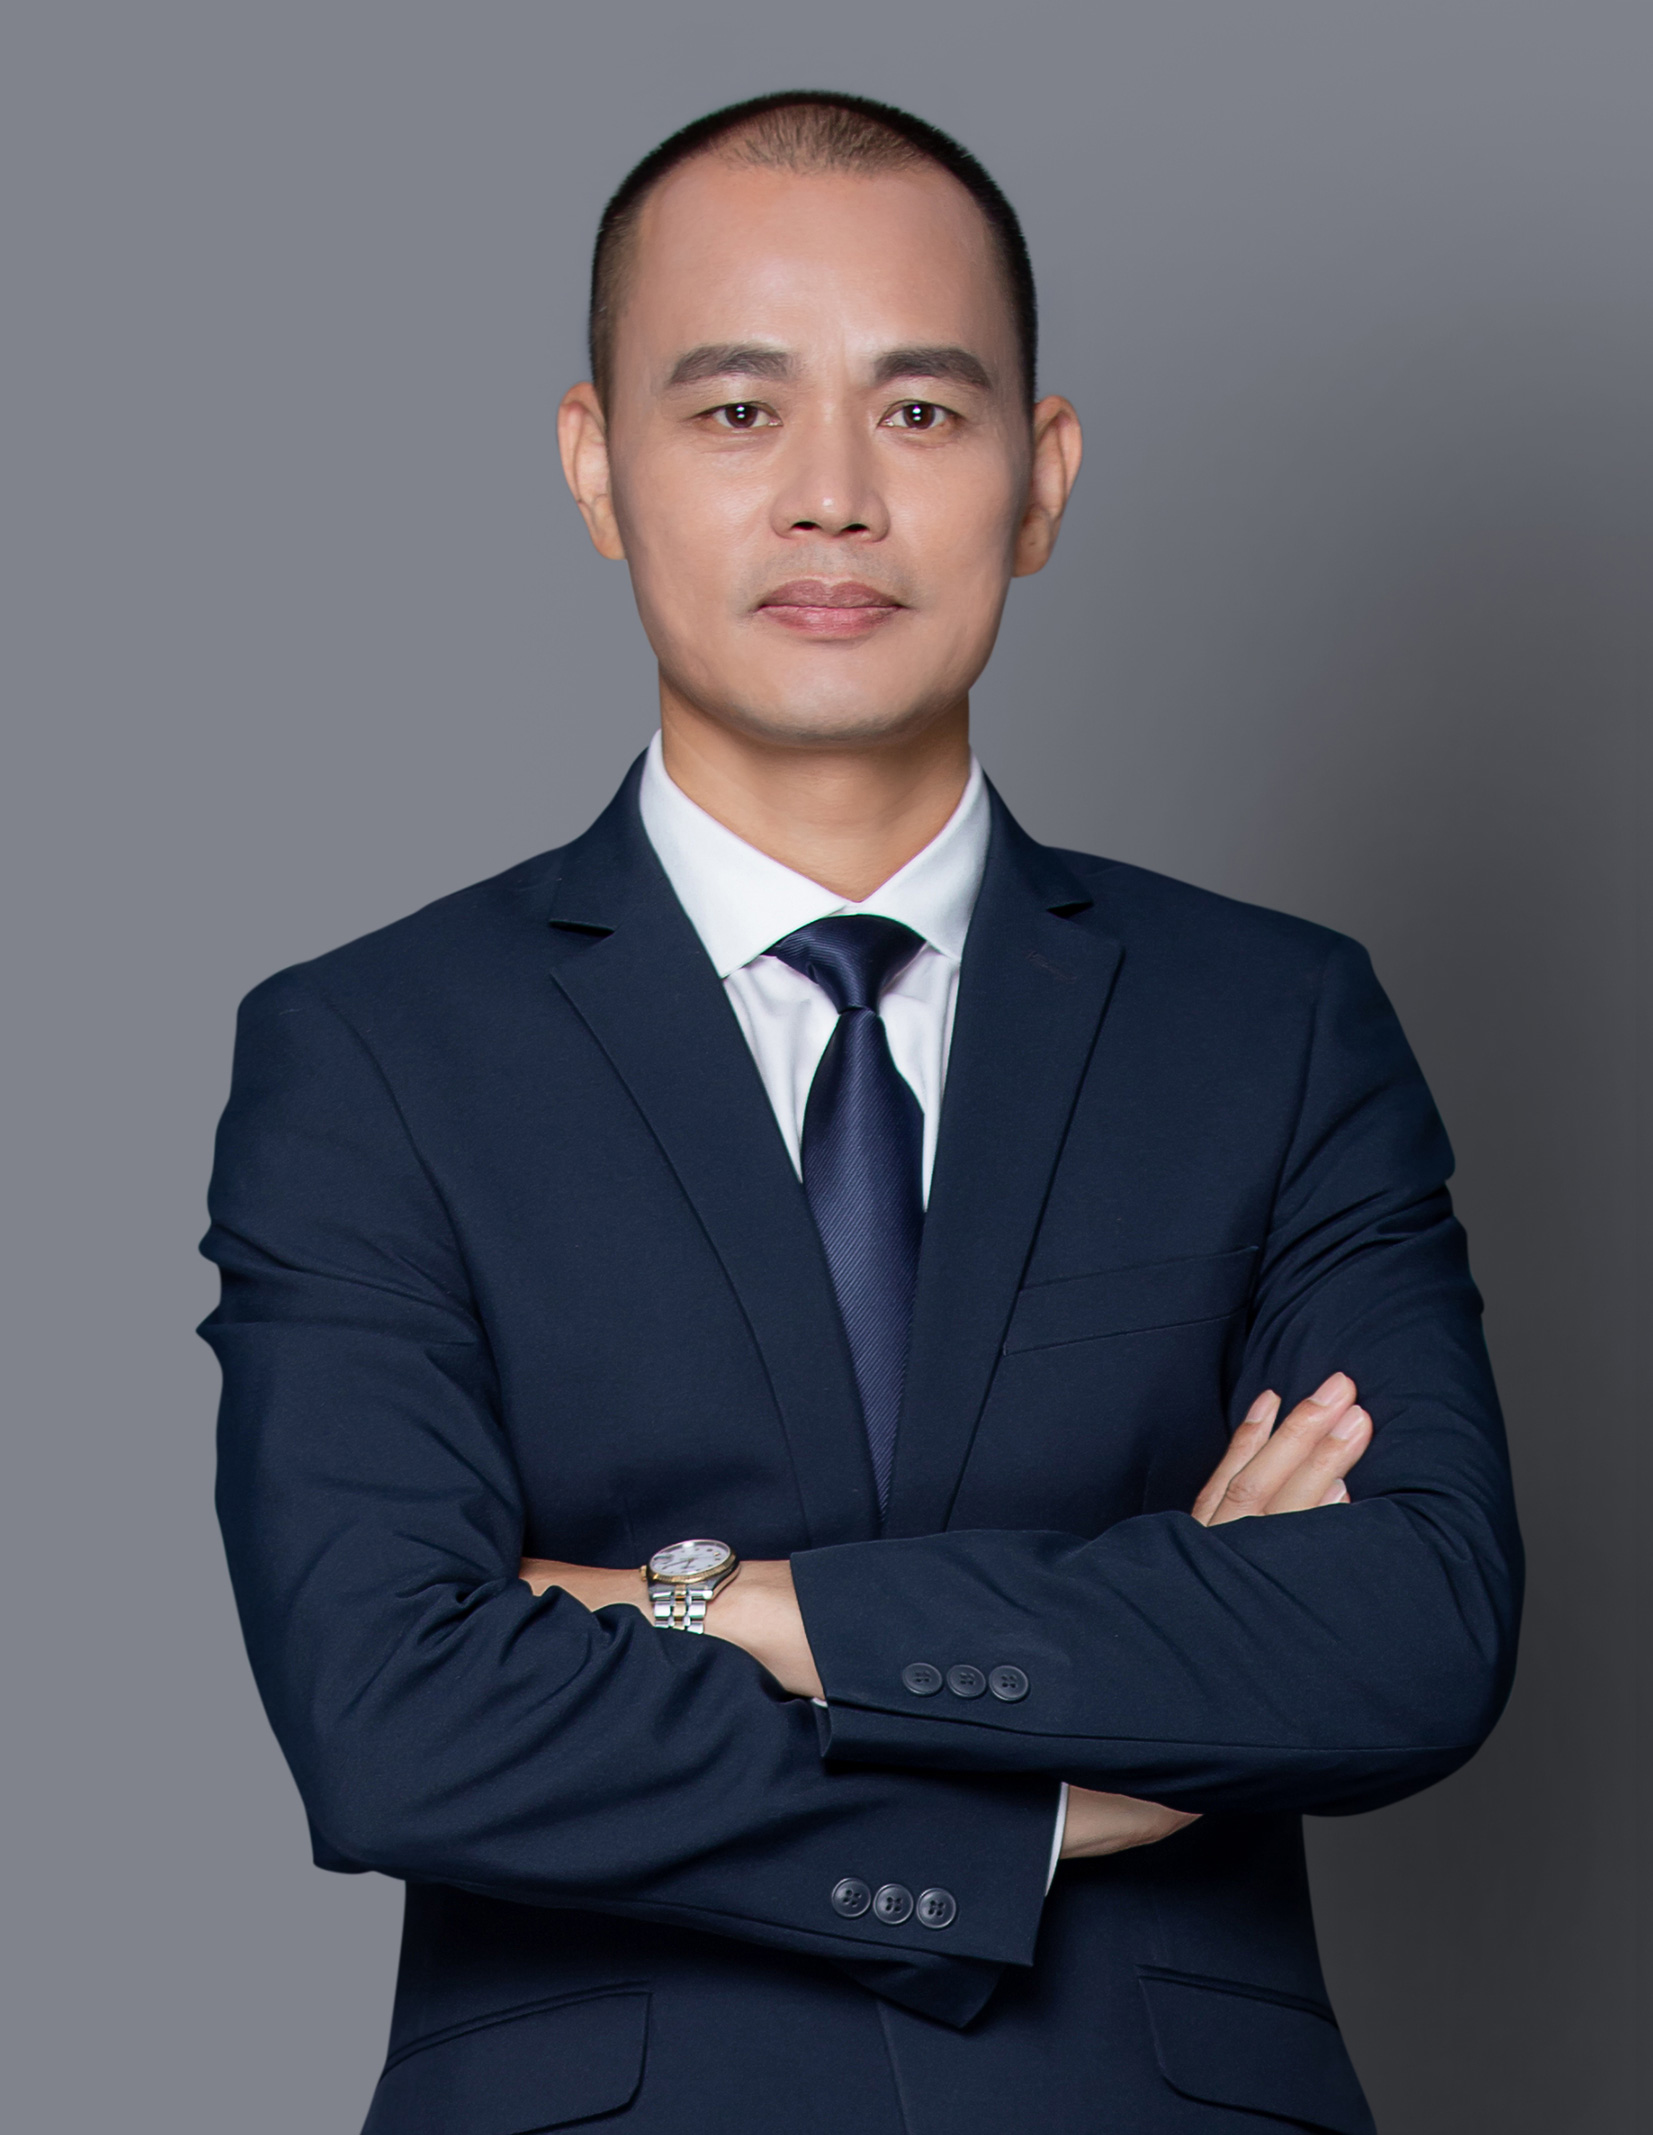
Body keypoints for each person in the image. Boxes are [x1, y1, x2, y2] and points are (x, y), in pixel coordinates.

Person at [202, 91, 1522, 2135]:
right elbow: (393, 1720)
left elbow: (1407, 1631)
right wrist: (1039, 1800)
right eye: (736, 412)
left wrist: (686, 1604)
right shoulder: (370, 1053)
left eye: (917, 412)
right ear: (596, 465)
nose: (831, 497)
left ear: (1038, 477)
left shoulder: (1271, 1023)